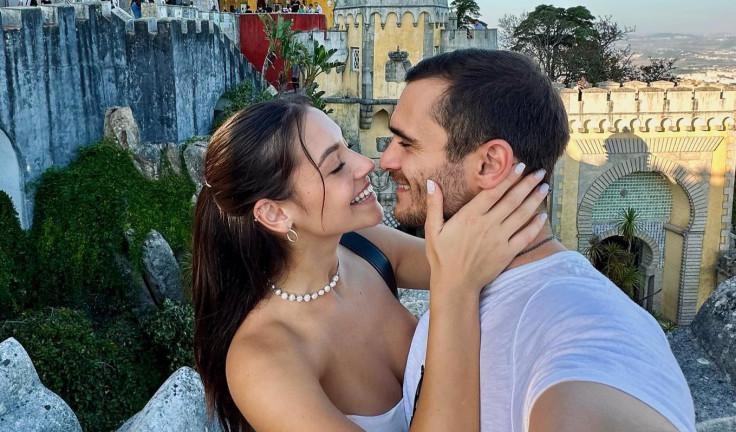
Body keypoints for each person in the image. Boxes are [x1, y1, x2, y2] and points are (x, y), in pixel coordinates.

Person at [380, 49, 696, 432]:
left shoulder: (588, 329)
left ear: (489, 164)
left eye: (406, 144)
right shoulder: (463, 278)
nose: (386, 160)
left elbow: (595, 399)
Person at [192, 97, 549, 431]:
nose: (366, 164)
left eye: (347, 145)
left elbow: (489, 260)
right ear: (275, 213)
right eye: (336, 166)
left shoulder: (364, 246)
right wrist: (455, 294)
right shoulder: (262, 360)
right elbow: (459, 276)